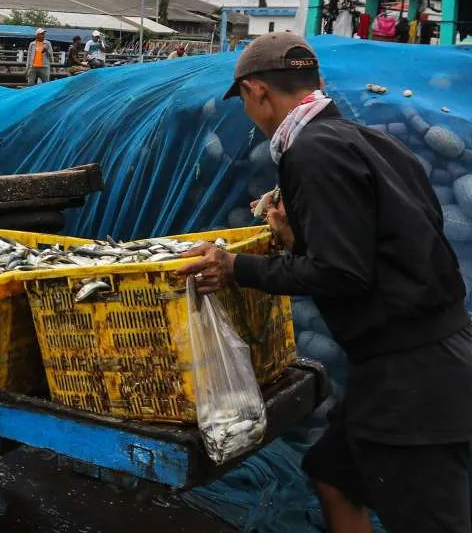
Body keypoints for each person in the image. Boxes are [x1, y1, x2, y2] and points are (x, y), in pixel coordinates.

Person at [178, 31, 472, 533]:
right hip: (428, 354)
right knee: (332, 476)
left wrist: (235, 267)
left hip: (412, 376)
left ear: (255, 91)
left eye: (245, 101)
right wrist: (298, 239)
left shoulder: (312, 152)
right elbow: (395, 239)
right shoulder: (368, 141)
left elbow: (342, 273)